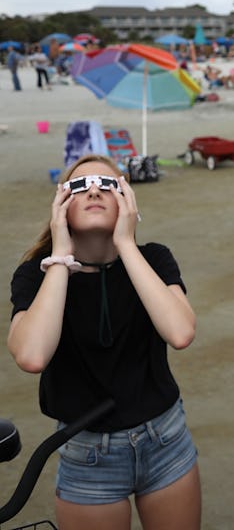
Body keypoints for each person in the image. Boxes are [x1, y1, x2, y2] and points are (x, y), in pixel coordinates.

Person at [8, 154, 201, 530]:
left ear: (127, 200)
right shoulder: (36, 273)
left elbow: (180, 332)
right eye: (79, 186)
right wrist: (61, 257)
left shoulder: (153, 258)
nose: (94, 189)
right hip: (88, 452)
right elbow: (32, 356)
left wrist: (126, 244)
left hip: (165, 439)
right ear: (60, 204)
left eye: (108, 184)